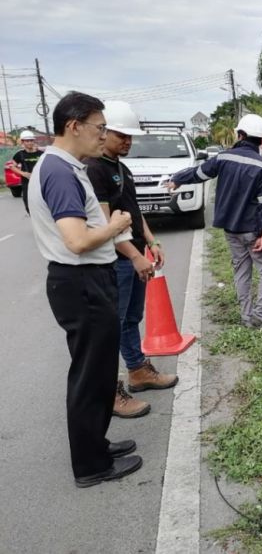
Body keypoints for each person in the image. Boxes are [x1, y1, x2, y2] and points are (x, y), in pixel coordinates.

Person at [28, 91, 142, 487]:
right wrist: (113, 228)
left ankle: (97, 443)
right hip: (80, 281)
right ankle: (92, 466)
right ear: (73, 126)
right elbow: (76, 240)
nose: (103, 135)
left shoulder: (68, 166)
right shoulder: (58, 171)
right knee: (90, 375)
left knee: (97, 370)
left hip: (86, 280)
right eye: (99, 127)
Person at [85, 100, 178, 419]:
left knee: (130, 319)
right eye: (120, 135)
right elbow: (104, 222)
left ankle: (138, 370)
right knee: (114, 324)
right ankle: (111, 390)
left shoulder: (121, 169)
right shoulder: (95, 169)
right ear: (104, 131)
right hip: (116, 260)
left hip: (134, 254)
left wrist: (152, 242)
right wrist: (136, 256)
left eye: (130, 137)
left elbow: (134, 213)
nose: (127, 141)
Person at [165, 113, 262, 327]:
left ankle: (247, 317)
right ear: (261, 140)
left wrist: (177, 180)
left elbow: (199, 173)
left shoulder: (223, 158)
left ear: (240, 134)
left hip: (231, 230)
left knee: (241, 269)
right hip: (253, 229)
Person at [9, 130, 43, 214]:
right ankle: (31, 214)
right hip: (27, 182)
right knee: (27, 200)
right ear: (23, 142)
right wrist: (23, 173)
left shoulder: (41, 153)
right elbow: (12, 166)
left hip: (41, 181)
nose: (30, 143)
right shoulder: (20, 154)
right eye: (27, 141)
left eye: (31, 140)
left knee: (43, 200)